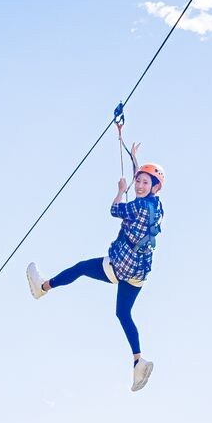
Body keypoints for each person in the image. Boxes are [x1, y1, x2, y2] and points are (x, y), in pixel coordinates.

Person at [27, 149, 164, 392]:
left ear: (153, 187)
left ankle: (43, 287)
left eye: (145, 183)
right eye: (139, 181)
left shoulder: (137, 206)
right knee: (123, 313)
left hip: (120, 266)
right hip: (139, 273)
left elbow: (115, 210)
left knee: (81, 268)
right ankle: (138, 361)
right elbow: (143, 188)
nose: (140, 185)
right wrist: (134, 159)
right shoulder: (156, 205)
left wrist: (121, 191)